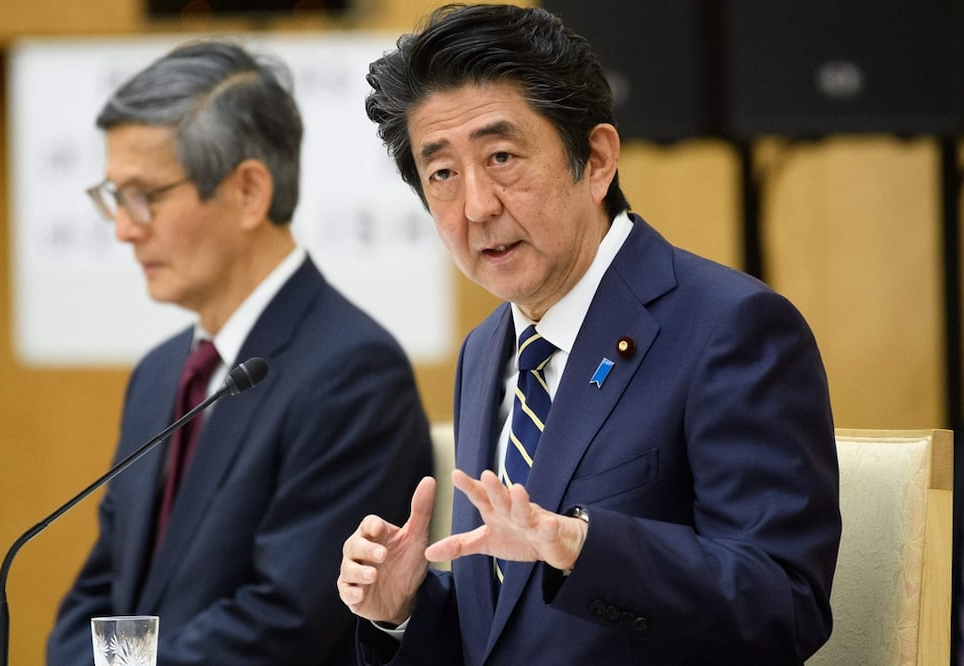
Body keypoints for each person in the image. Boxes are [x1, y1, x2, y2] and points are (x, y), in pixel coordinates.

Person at [337, 4, 841, 664]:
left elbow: (783, 605)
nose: (477, 206)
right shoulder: (486, 349)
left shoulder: (729, 327)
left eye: (501, 156)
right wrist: (403, 610)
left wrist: (581, 549)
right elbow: (507, 630)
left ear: (596, 157)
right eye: (441, 174)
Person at [46, 39, 432, 665]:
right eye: (114, 197)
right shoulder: (160, 373)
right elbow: (100, 593)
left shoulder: (353, 372)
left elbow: (286, 621)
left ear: (250, 190)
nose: (123, 227)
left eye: (144, 195)